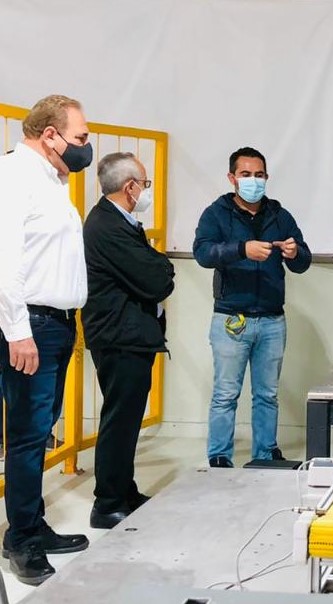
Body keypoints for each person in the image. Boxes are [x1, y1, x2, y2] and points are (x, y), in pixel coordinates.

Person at [0, 94, 92, 585]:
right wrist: (18, 332)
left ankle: (31, 525)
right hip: (31, 325)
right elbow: (5, 264)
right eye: (80, 137)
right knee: (27, 436)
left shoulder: (51, 181)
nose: (85, 147)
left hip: (56, 323)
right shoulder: (14, 177)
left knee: (39, 431)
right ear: (50, 135)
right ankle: (22, 541)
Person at [193, 147, 312, 468]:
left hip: (272, 320)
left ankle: (265, 453)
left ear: (267, 177)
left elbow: (303, 261)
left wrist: (294, 253)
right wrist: (241, 249)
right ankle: (219, 455)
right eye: (246, 175)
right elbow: (203, 253)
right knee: (225, 394)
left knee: (267, 394)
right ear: (232, 178)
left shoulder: (279, 215)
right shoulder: (216, 213)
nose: (253, 181)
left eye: (259, 175)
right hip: (232, 318)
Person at [82, 152, 175, 529]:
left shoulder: (121, 222)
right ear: (130, 187)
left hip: (128, 334)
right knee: (119, 419)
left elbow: (154, 270)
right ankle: (107, 502)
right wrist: (161, 268)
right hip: (119, 336)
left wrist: (158, 267)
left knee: (127, 419)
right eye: (145, 184)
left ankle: (124, 489)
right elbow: (158, 279)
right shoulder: (107, 226)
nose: (146, 191)